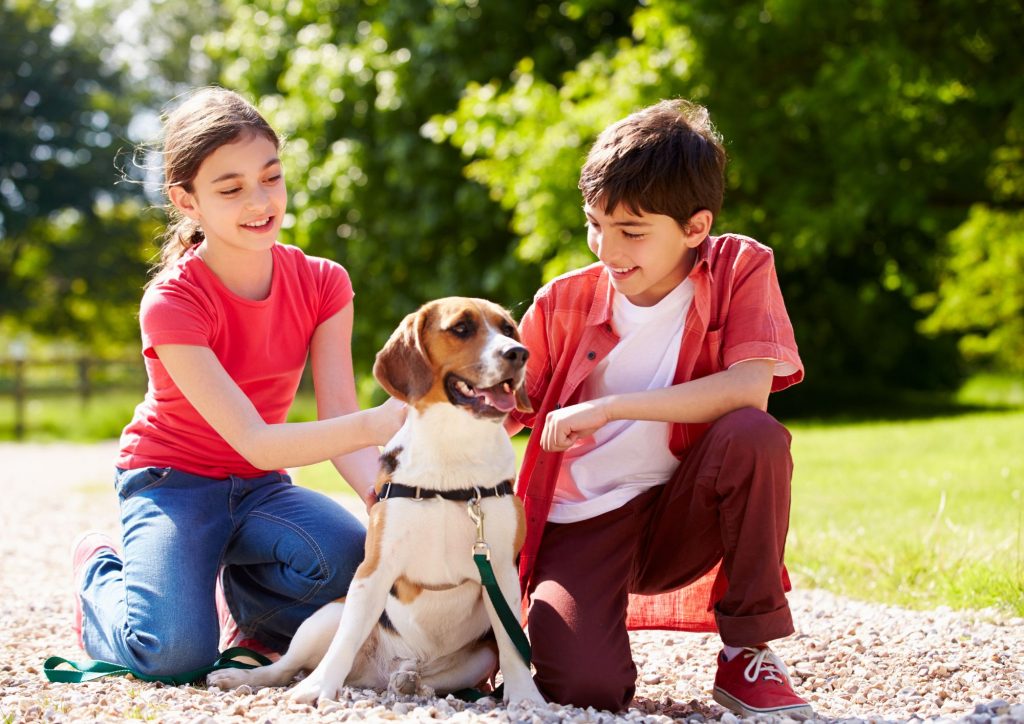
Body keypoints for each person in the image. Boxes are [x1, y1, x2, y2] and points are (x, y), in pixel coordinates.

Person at [71, 87, 405, 677]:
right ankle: (99, 573)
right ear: (186, 199)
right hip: (171, 485)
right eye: (230, 189)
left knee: (352, 560)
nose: (260, 200)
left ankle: (247, 612)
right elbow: (255, 437)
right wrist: (379, 422)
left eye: (271, 178)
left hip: (261, 489)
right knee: (174, 655)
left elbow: (340, 422)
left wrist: (388, 502)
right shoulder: (172, 302)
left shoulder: (325, 283)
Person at [508, 99, 812, 718]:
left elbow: (750, 387)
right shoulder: (561, 302)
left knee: (756, 435)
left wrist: (609, 407)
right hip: (583, 520)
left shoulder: (739, 268)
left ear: (695, 228)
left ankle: (747, 654)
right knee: (584, 689)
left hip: (682, 511)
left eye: (632, 231)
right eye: (595, 223)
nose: (606, 248)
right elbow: (499, 406)